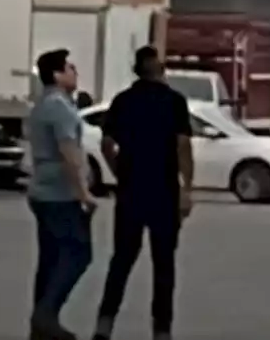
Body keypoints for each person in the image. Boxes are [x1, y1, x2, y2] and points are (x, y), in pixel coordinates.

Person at [92, 46, 194, 340]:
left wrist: (119, 172)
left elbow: (106, 144)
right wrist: (187, 187)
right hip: (164, 191)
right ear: (160, 69)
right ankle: (161, 331)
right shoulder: (175, 102)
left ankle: (104, 325)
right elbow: (182, 146)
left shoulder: (123, 101)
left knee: (121, 260)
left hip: (131, 191)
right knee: (164, 264)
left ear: (136, 70)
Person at [26, 49, 96, 340]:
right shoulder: (59, 107)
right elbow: (69, 152)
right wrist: (84, 194)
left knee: (51, 259)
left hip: (43, 191)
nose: (75, 72)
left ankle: (41, 324)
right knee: (79, 253)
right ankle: (46, 314)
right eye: (70, 67)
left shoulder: (44, 104)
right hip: (59, 194)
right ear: (56, 74)